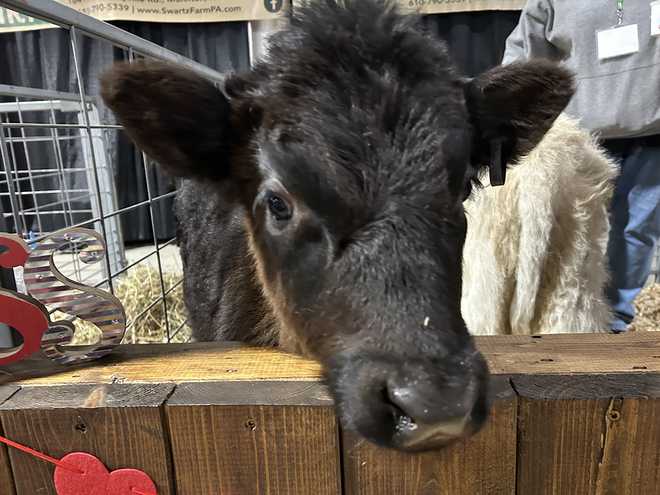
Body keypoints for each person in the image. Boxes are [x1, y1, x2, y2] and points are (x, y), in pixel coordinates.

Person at [501, 0, 660, 332]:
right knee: (574, 234)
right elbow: (526, 47)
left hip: (653, 131)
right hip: (580, 137)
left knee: (634, 233)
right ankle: (564, 326)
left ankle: (615, 326)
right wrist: (501, 106)